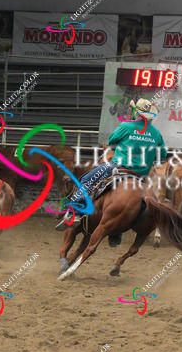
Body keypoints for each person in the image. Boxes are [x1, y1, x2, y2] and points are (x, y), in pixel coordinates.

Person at [55, 98, 167, 247]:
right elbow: (162, 155)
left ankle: (73, 213)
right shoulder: (156, 133)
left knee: (87, 180)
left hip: (119, 167)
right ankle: (116, 233)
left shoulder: (126, 125)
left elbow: (112, 141)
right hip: (141, 176)